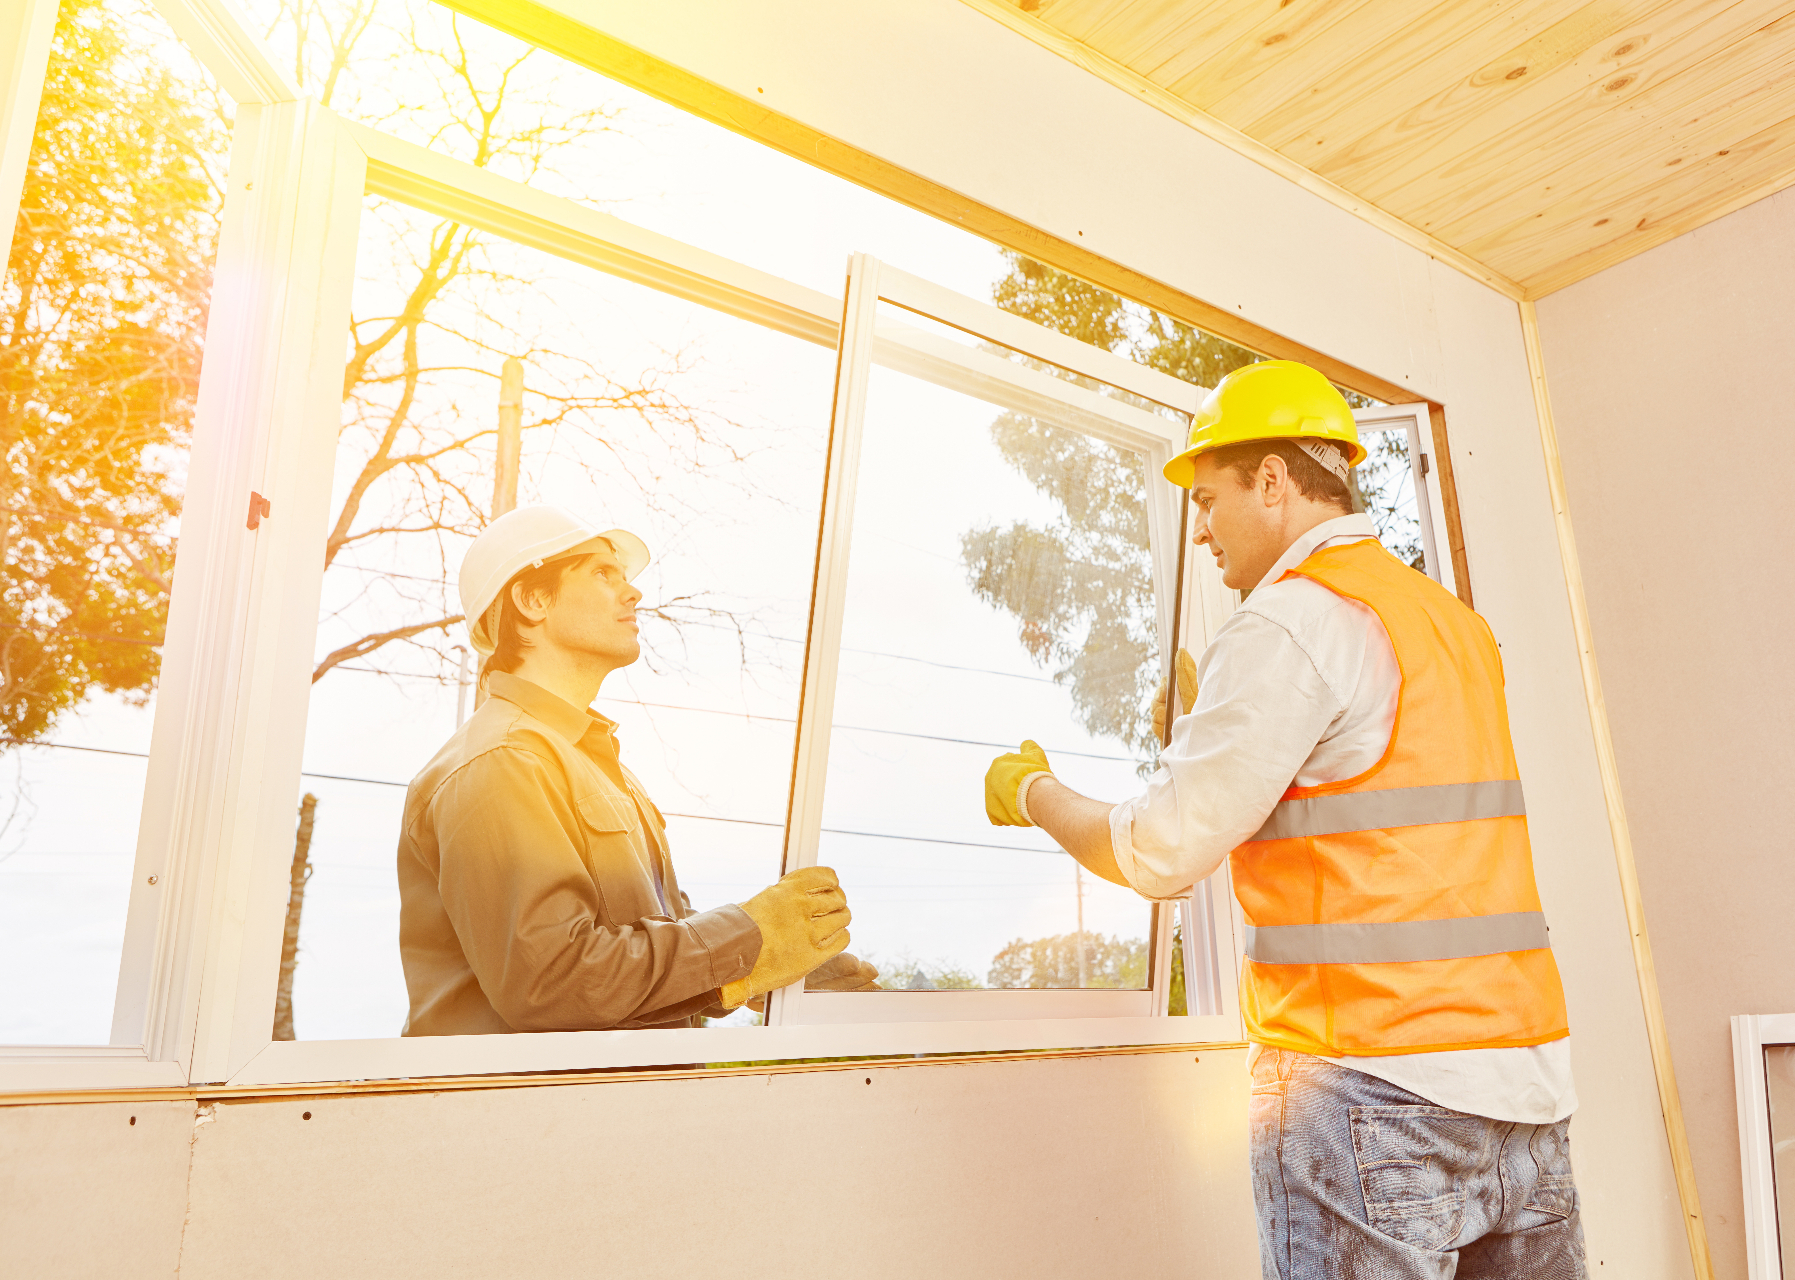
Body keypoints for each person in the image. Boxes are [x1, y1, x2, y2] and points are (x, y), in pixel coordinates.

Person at [982, 362, 1586, 1278]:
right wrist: (1208, 734)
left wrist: (1034, 792)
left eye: (1210, 496)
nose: (1200, 527)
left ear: (1273, 481)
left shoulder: (1292, 622)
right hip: (1525, 1093)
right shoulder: (1451, 624)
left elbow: (1157, 853)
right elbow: (1376, 817)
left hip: (1373, 1090)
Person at [399, 504, 877, 1036]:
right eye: (603, 573)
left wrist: (769, 970)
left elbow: (638, 971)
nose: (634, 593)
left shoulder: (601, 771)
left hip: (616, 1110)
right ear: (532, 600)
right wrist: (752, 938)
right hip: (528, 1115)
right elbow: (552, 982)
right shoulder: (502, 761)